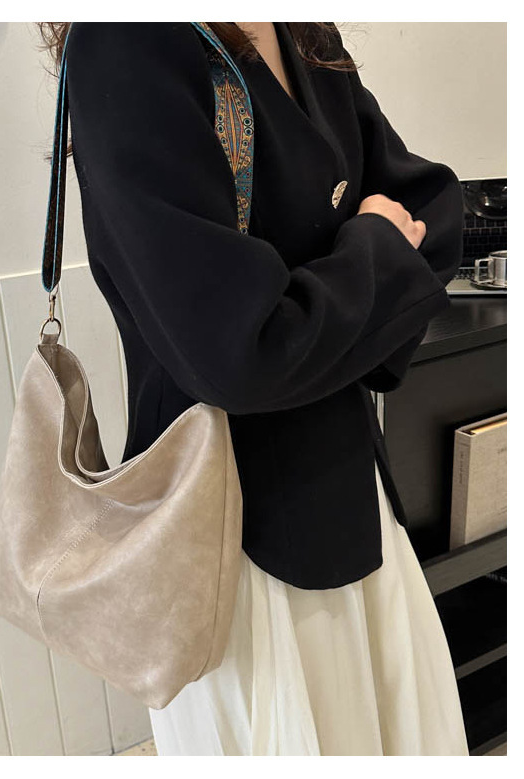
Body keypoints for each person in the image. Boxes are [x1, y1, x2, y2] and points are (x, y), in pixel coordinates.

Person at [39, 21, 469, 755]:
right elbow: (239, 352)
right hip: (234, 537)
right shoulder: (127, 40)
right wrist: (373, 247)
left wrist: (335, 290)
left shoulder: (303, 32)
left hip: (353, 493)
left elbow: (432, 207)